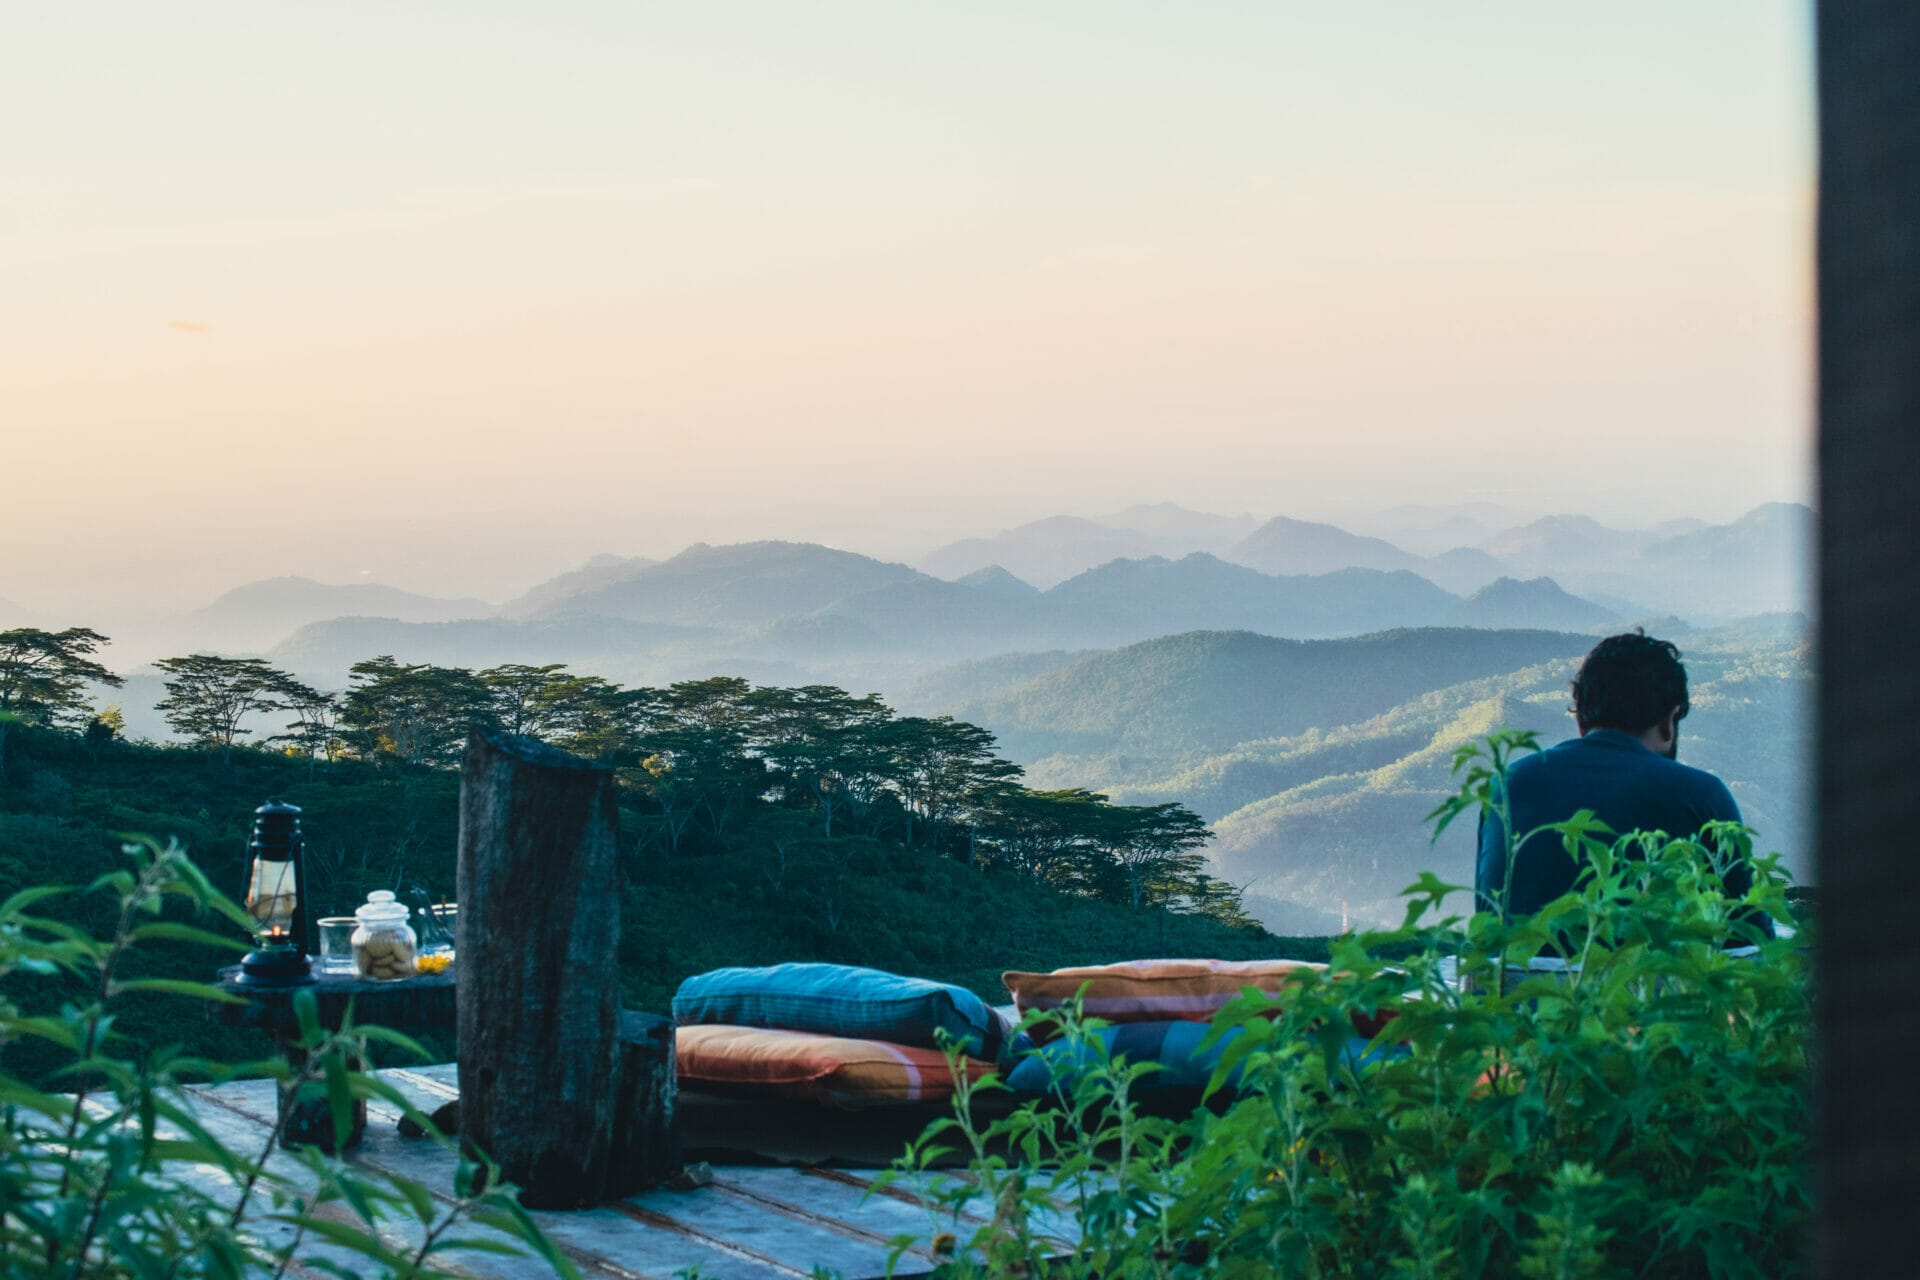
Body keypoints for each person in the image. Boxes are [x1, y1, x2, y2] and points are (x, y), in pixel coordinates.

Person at [1475, 631, 1771, 935]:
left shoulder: (1506, 787)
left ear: (1580, 719)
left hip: (1518, 968)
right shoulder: (1701, 796)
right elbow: (1749, 940)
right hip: (1652, 966)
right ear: (1670, 721)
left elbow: (1487, 925)